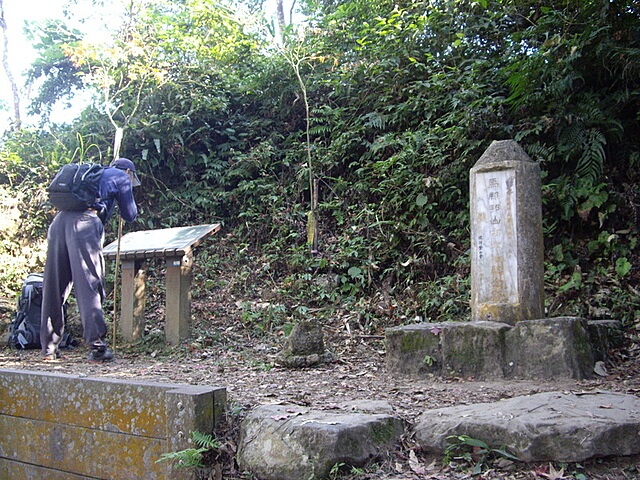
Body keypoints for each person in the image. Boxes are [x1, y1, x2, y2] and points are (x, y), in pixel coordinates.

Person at [40, 158, 141, 362]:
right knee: (89, 284)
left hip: (58, 222)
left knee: (54, 286)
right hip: (85, 224)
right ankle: (97, 348)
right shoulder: (121, 176)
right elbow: (130, 214)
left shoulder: (92, 175)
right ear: (129, 172)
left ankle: (49, 349)